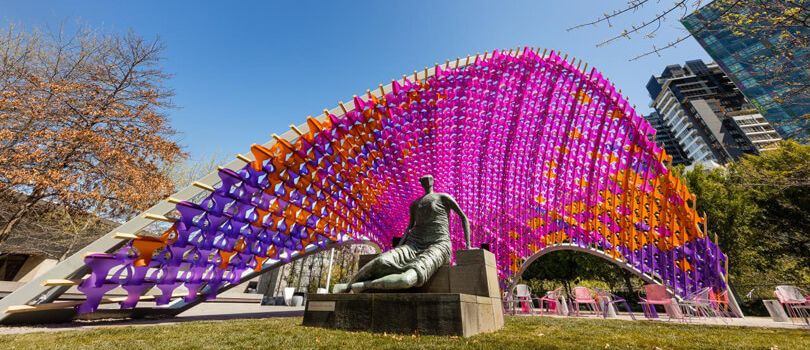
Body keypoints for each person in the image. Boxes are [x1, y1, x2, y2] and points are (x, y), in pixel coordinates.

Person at [333, 175, 471, 293]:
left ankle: (364, 286)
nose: (427, 180)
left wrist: (469, 247)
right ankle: (348, 286)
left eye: (430, 178)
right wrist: (399, 246)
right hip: (414, 244)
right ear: (421, 183)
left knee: (406, 279)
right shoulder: (415, 204)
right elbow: (409, 228)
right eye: (424, 179)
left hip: (438, 245)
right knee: (381, 260)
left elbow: (463, 217)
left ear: (433, 181)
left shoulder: (443, 197)